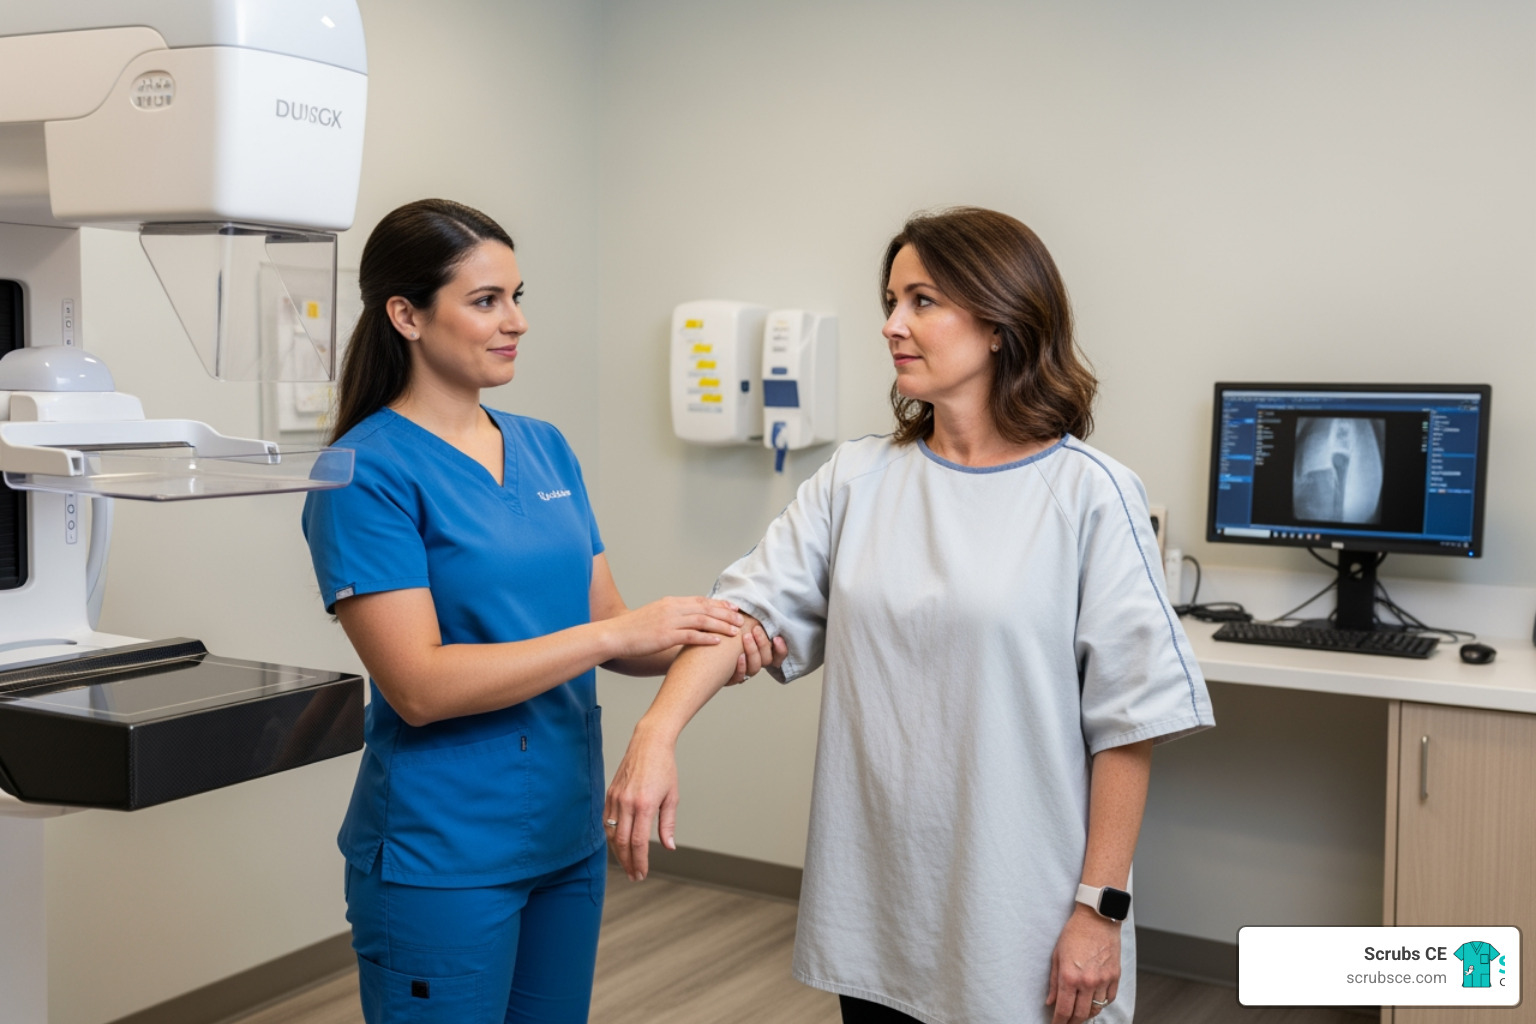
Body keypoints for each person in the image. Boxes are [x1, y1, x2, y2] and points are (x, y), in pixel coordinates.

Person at [604, 207, 1215, 1024]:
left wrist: (1098, 910)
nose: (892, 324)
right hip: (882, 902)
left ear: (1001, 322)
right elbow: (742, 613)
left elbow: (1129, 721)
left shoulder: (1089, 493)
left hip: (1025, 909)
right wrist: (656, 733)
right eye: (890, 301)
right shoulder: (857, 478)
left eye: (922, 301)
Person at [301, 198, 783, 1024]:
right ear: (406, 315)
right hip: (442, 849)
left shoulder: (544, 446)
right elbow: (417, 684)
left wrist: (715, 643)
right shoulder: (361, 474)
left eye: (518, 297)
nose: (515, 321)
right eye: (486, 301)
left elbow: (619, 631)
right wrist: (614, 634)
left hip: (567, 833)